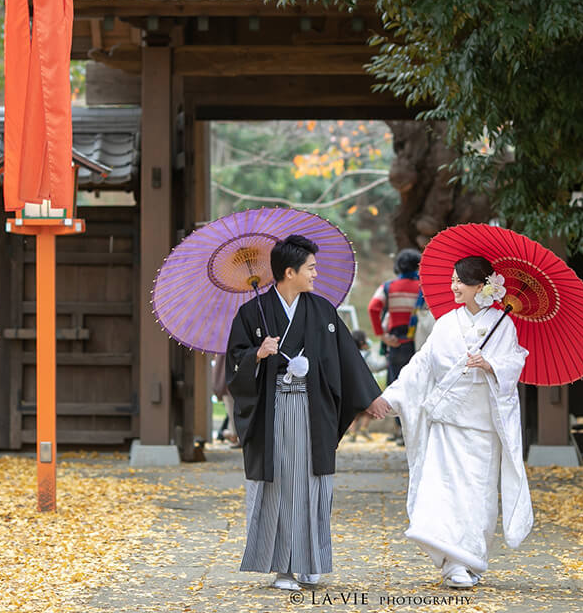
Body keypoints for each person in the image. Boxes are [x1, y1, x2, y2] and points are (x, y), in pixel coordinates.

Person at [226, 234, 386, 592]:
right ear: (289, 271)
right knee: (282, 485)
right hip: (275, 411)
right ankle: (283, 567)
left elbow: (347, 357)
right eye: (311, 268)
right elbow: (234, 361)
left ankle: (310, 560)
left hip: (312, 410)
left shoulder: (321, 311)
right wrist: (258, 353)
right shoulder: (252, 312)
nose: (316, 273)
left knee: (314, 484)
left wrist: (369, 397)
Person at [368, 255, 533, 589]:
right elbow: (420, 366)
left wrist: (490, 365)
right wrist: (390, 397)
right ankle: (452, 563)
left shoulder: (504, 325)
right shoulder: (445, 324)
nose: (454, 286)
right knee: (442, 493)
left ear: (481, 286)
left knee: (477, 495)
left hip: (481, 426)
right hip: (446, 424)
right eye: (454, 280)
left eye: (460, 281)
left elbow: (513, 363)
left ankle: (469, 559)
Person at [367, 248, 424, 443]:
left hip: (396, 342)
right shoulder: (422, 287)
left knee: (396, 384)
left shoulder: (388, 287)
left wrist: (381, 335)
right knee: (416, 385)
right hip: (417, 343)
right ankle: (415, 430)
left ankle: (400, 431)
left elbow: (373, 308)